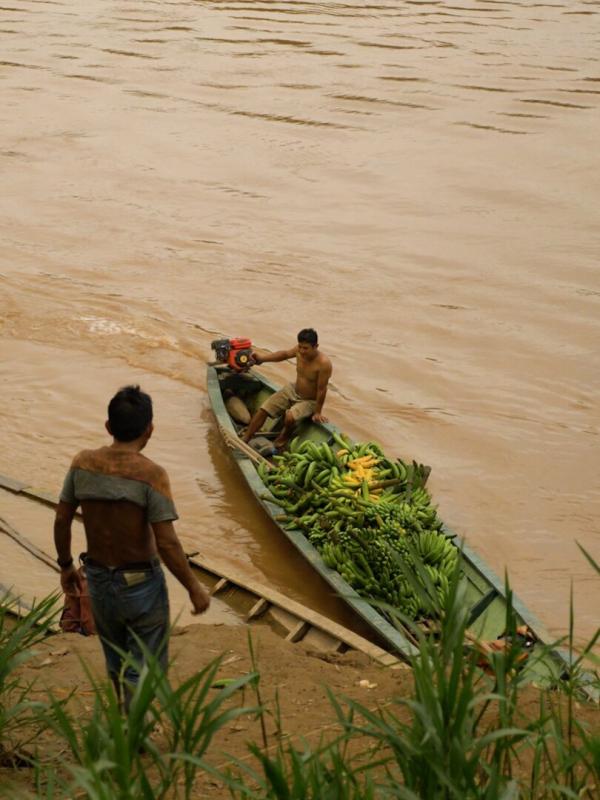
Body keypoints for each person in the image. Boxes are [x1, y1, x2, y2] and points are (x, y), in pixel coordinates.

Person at [54, 385, 210, 708]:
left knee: (116, 660)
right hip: (141, 584)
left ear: (108, 426)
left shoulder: (82, 464)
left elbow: (62, 519)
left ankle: (123, 718)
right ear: (149, 429)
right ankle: (133, 726)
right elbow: (167, 542)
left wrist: (66, 565)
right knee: (146, 667)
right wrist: (194, 587)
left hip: (98, 580)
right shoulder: (152, 475)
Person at [242, 328, 332, 451]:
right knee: (264, 409)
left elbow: (322, 389)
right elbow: (284, 355)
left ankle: (284, 436)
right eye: (300, 347)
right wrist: (262, 359)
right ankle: (246, 437)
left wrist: (317, 412)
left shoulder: (324, 364)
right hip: (293, 390)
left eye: (306, 348)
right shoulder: (298, 351)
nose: (302, 351)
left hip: (309, 400)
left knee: (289, 417)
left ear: (315, 346)